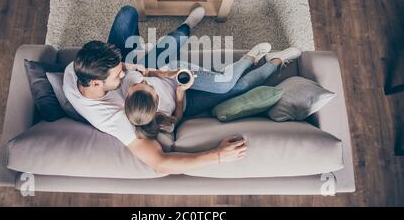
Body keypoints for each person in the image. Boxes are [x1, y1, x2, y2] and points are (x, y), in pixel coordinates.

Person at [63, 5, 248, 175]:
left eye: (120, 70)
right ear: (96, 84)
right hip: (146, 84)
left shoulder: (75, 70)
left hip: (140, 75)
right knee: (177, 43)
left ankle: (183, 27)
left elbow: (126, 70)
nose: (122, 74)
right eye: (118, 75)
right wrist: (218, 155)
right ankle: (184, 29)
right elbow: (160, 163)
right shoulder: (114, 119)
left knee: (128, 13)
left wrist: (132, 67)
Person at [122, 47, 302, 140]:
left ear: (129, 94)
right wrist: (180, 94)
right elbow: (176, 119)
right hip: (184, 97)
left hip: (175, 73)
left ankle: (249, 58)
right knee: (240, 87)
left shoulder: (131, 82)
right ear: (155, 106)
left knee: (224, 84)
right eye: (150, 87)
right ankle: (276, 61)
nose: (143, 82)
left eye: (142, 84)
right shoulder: (156, 122)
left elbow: (150, 73)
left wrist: (169, 74)